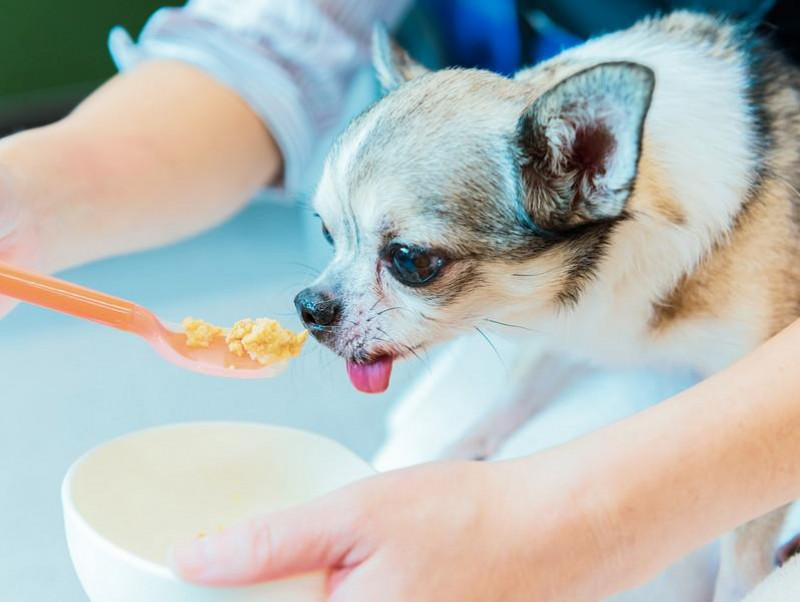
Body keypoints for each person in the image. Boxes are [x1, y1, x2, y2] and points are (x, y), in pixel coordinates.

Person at [1, 1, 799, 599]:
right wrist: (27, 200)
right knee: (398, 505)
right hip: (561, 266)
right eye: (333, 235)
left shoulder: (741, 205)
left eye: (410, 260)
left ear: (585, 159)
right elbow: (264, 42)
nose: (322, 303)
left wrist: (582, 523)